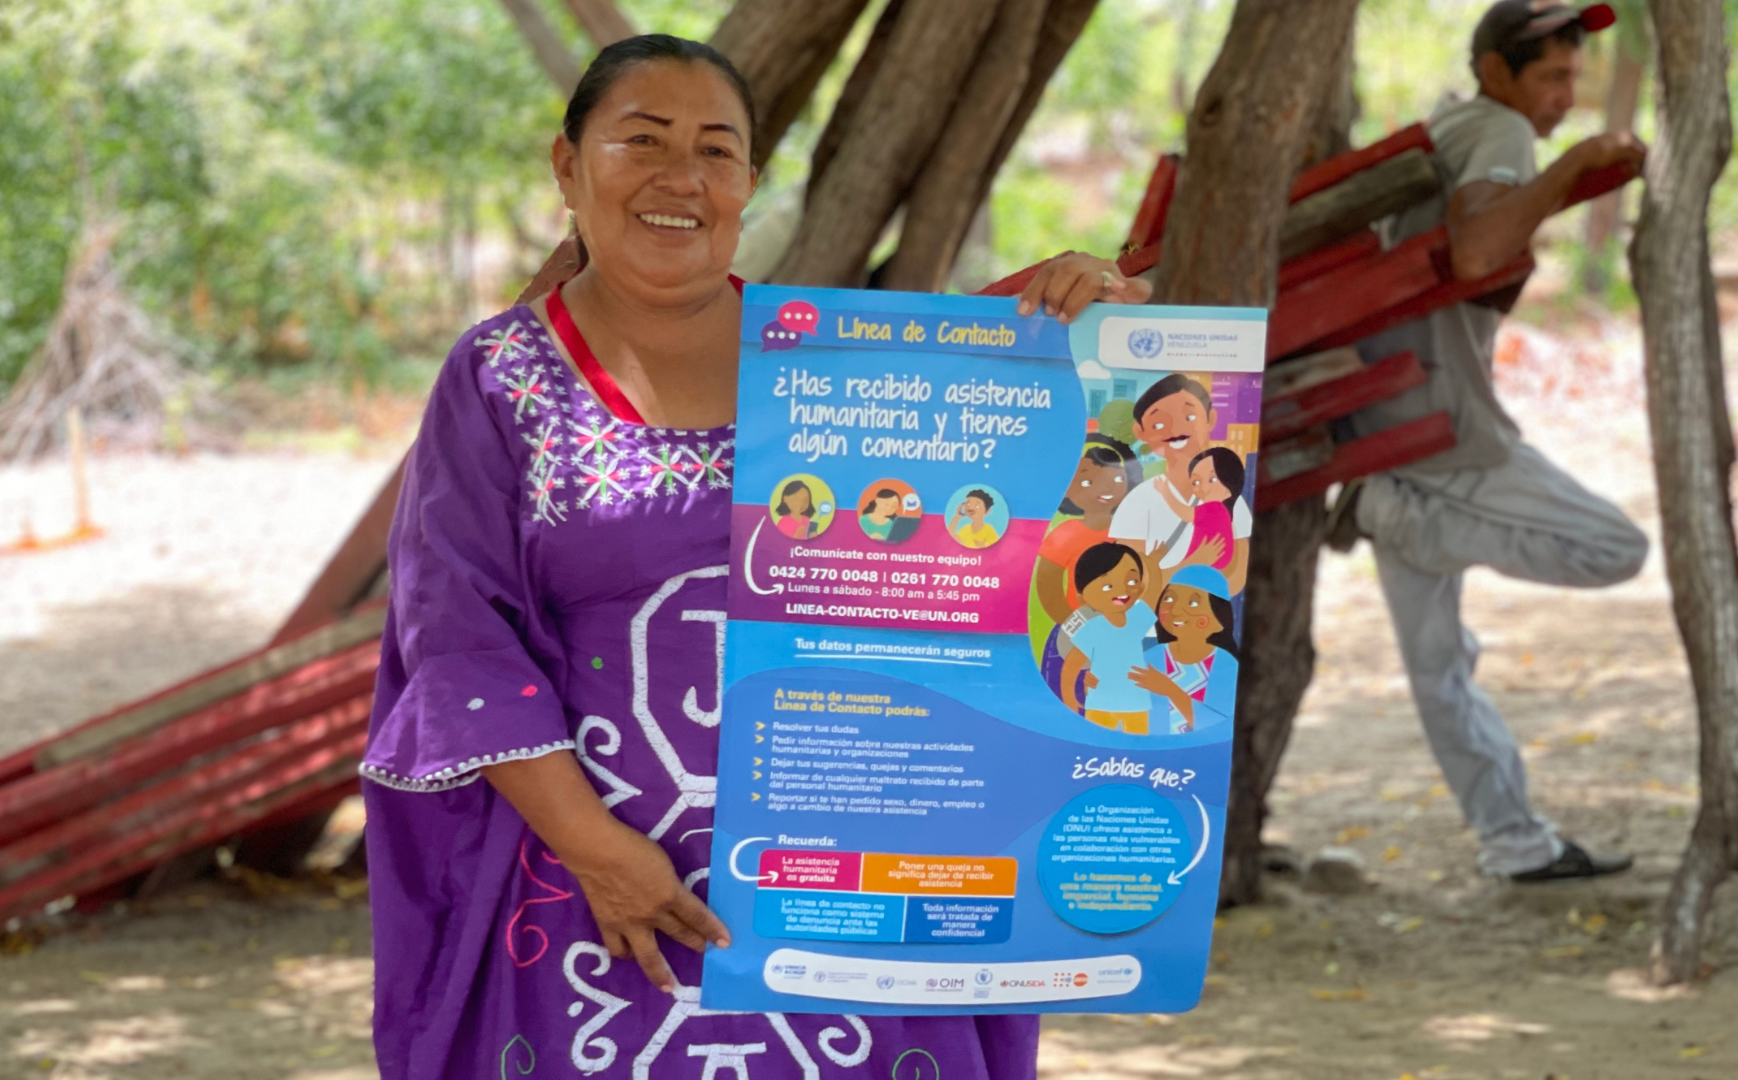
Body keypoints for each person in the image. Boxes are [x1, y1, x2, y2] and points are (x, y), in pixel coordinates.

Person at [359, 33, 1151, 1079]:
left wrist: (1096, 328)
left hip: (852, 890)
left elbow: (1017, 501)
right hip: (594, 907)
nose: (679, 177)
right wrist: (602, 857)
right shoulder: (501, 376)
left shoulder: (850, 366)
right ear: (567, 167)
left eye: (716, 151)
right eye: (639, 141)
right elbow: (459, 641)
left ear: (747, 184)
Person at [1334, 1, 1649, 883]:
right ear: (1495, 71)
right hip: (1438, 434)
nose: (1564, 95)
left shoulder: (1447, 128)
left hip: (1380, 426)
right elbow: (1476, 251)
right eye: (1550, 74)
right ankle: (1396, 517)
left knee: (1440, 669)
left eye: (1573, 76)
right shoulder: (1499, 129)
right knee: (1613, 548)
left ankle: (1514, 843)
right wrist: (1570, 172)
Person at [1107, 374, 1245, 595]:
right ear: (1140, 432)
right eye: (1159, 423)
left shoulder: (1231, 500)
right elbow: (1128, 584)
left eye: (1190, 416)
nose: (1176, 428)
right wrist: (1194, 563)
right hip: (1148, 626)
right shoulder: (1139, 500)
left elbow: (1236, 579)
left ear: (1210, 419)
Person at [1060, 542, 1157, 734]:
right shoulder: (1093, 628)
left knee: (1136, 748)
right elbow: (1072, 664)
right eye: (1107, 586)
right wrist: (1069, 699)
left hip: (1136, 703)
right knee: (1098, 744)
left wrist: (1152, 565)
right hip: (1100, 704)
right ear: (1083, 598)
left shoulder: (1136, 620)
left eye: (1131, 582)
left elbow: (1153, 595)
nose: (1122, 590)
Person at [1134, 566, 1240, 735]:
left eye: (1193, 603)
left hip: (1199, 755)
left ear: (1218, 620)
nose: (1175, 610)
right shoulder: (1151, 658)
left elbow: (1219, 725)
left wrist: (1170, 690)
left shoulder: (1225, 665)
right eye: (1168, 599)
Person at [1034, 442, 1133, 624]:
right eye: (1088, 482)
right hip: (1081, 624)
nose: (1106, 488)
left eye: (1117, 480)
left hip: (1124, 627)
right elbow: (1047, 586)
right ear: (1068, 489)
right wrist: (1071, 625)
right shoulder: (1065, 534)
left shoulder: (1130, 531)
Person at [1152, 446, 1245, 573]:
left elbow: (1184, 513)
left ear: (1229, 486)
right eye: (1196, 482)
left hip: (1205, 563)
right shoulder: (1221, 512)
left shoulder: (1214, 509)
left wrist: (1165, 492)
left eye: (1212, 479)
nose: (1203, 487)